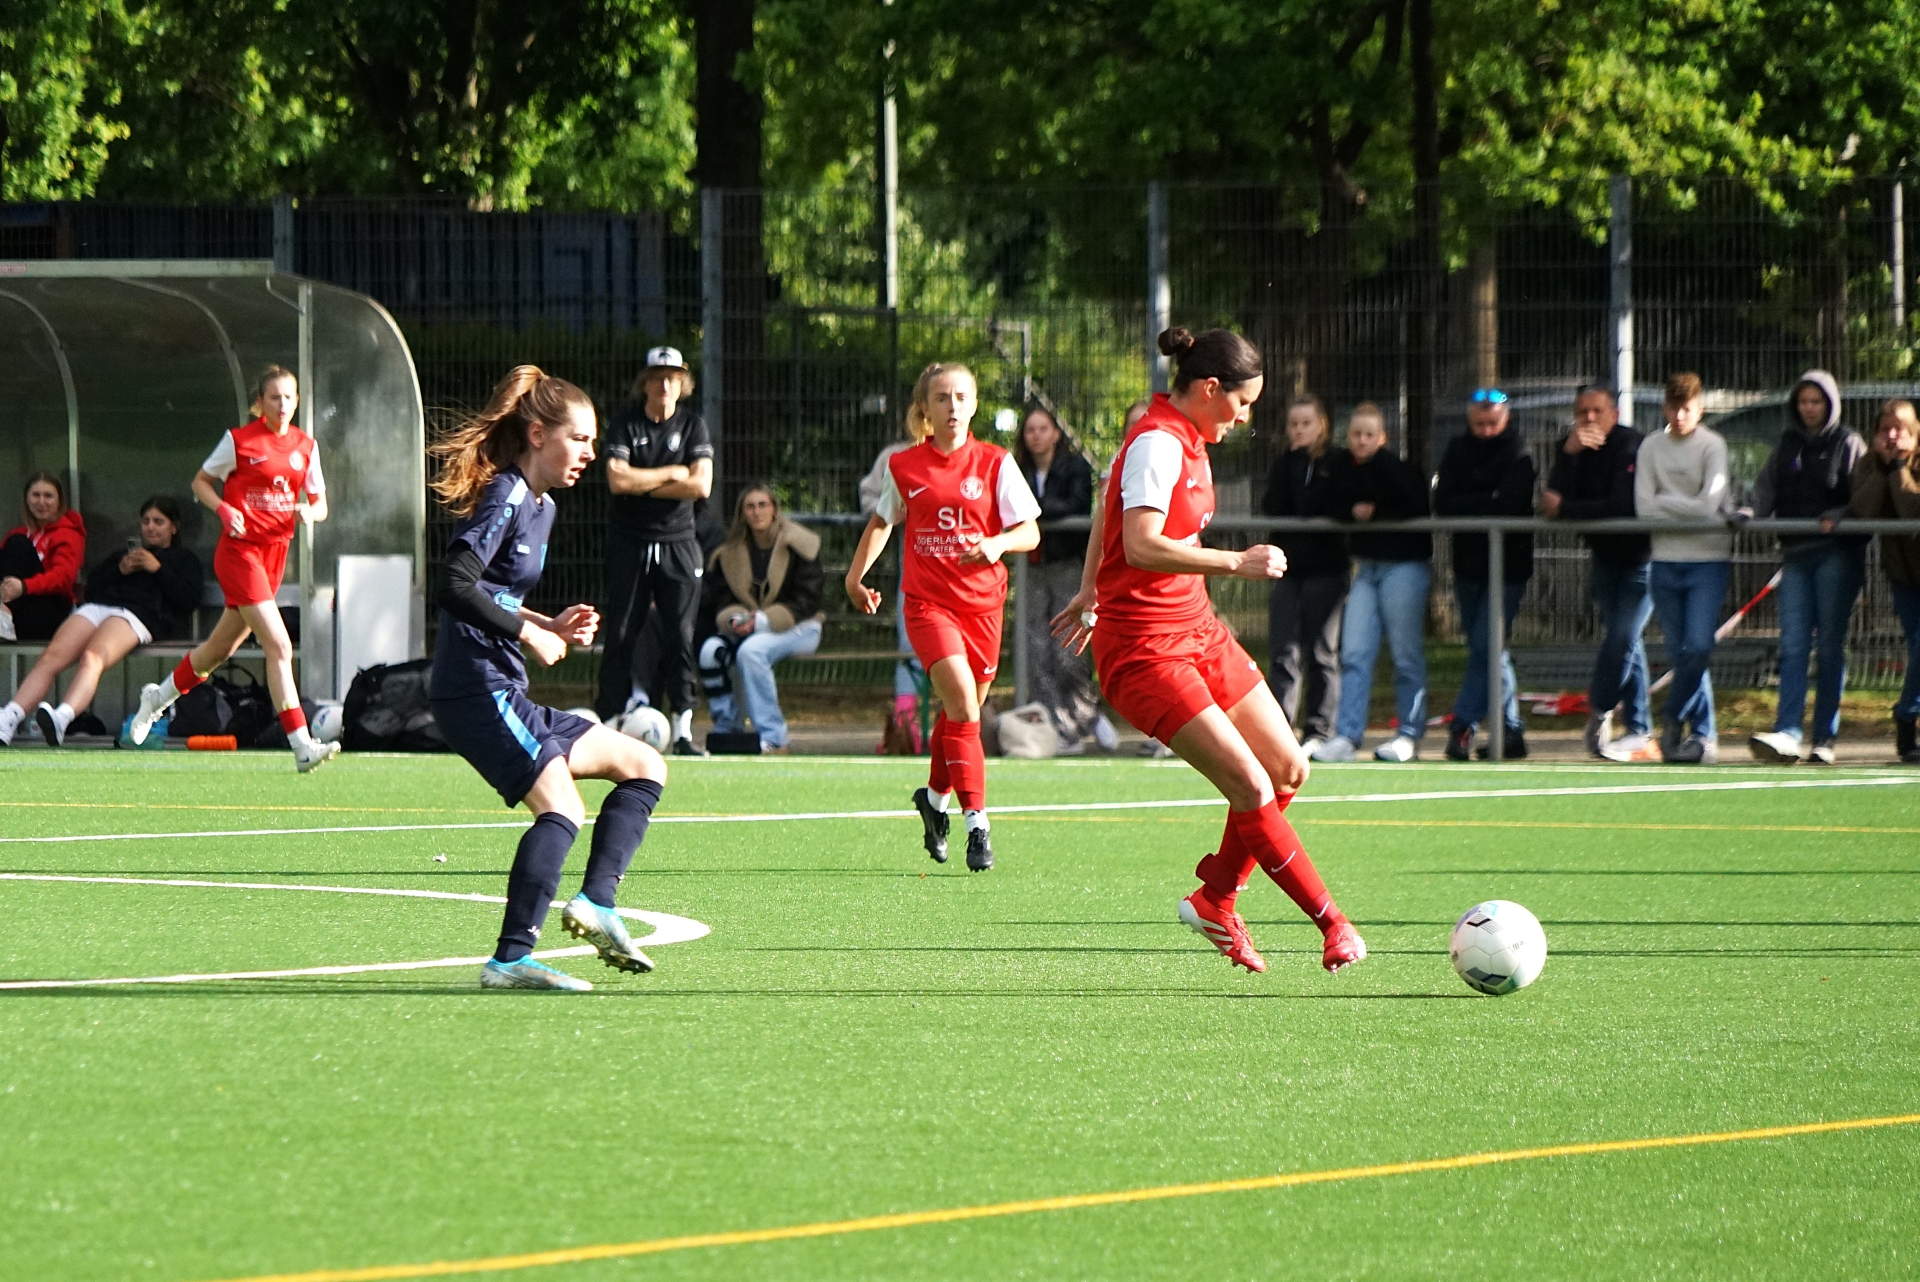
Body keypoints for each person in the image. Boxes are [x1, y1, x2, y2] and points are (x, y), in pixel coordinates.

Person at [1053, 327, 1365, 975]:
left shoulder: (1189, 438)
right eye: (1242, 403)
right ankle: (1332, 923)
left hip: (1197, 629)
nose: (1246, 417)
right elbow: (1139, 543)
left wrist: (1089, 587)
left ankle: (1216, 897)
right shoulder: (1157, 442)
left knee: (1287, 769)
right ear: (1209, 388)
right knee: (1250, 783)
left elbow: (1108, 504)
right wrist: (1234, 562)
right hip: (1143, 650)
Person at [426, 365, 668, 992]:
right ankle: (510, 962)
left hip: (504, 688)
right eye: (579, 439)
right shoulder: (505, 493)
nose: (589, 452)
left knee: (644, 764)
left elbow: (494, 593)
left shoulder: (543, 506)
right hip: (474, 689)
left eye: (593, 442)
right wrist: (527, 634)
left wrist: (546, 623)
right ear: (538, 435)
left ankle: (598, 904)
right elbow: (452, 583)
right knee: (562, 808)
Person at [845, 362, 1041, 871]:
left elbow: (1030, 532)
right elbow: (882, 522)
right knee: (965, 710)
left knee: (960, 716)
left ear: (973, 405)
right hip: (928, 606)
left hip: (983, 607)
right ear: (924, 410)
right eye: (941, 398)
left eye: (961, 397)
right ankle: (978, 825)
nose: (952, 406)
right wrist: (854, 577)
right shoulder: (905, 466)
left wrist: (996, 544)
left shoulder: (996, 462)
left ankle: (933, 801)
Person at [126, 366, 337, 771]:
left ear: (297, 401)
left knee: (217, 652)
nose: (282, 405)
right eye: (274, 397)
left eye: (289, 397)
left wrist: (310, 512)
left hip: (274, 557)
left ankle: (156, 699)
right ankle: (302, 745)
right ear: (260, 402)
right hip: (240, 554)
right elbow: (201, 482)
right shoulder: (239, 441)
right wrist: (224, 509)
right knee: (279, 645)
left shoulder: (305, 446)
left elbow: (321, 503)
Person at [0, 496, 203, 746]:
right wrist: (120, 570)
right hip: (99, 608)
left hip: (139, 614)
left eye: (158, 522)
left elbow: (188, 599)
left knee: (92, 657)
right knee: (52, 656)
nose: (150, 527)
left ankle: (62, 717)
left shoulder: (184, 559)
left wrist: (158, 569)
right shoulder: (123, 555)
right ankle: (9, 717)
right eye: (146, 521)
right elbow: (92, 590)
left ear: (174, 527)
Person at [1743, 369, 1869, 764]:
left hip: (1836, 555)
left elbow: (1865, 496)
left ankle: (1824, 738)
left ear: (1830, 404)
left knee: (1829, 645)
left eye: (1816, 401)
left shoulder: (1848, 443)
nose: (1809, 408)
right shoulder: (1787, 444)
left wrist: (1841, 514)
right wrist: (1749, 513)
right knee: (1793, 645)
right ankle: (1787, 732)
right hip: (1795, 556)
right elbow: (1765, 489)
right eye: (1803, 401)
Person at [597, 345, 713, 755]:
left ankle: (682, 729)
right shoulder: (626, 424)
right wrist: (670, 473)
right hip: (629, 541)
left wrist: (641, 481)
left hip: (678, 544)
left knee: (680, 635)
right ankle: (610, 720)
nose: (665, 385)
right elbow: (617, 481)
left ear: (682, 384)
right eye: (657, 377)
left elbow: (700, 485)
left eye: (672, 378)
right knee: (621, 633)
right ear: (644, 383)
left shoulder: (693, 426)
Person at [1315, 404, 1432, 763]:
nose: (1361, 440)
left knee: (1405, 655)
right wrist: (1351, 511)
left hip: (1403, 568)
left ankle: (1408, 734)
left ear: (1382, 438)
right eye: (1356, 434)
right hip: (1366, 569)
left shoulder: (1394, 467)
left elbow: (1414, 503)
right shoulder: (1340, 467)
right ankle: (1347, 736)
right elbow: (1327, 502)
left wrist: (1376, 510)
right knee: (1354, 653)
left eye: (1369, 435)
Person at [1542, 386, 1653, 758]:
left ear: (1614, 414)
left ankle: (1600, 709)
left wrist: (1568, 509)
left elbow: (1622, 506)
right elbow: (1550, 502)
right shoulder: (1571, 447)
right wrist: (1568, 455)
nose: (1589, 418)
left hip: (1642, 559)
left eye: (1597, 411)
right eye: (1582, 412)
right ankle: (1639, 728)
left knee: (1623, 637)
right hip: (1604, 558)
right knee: (1627, 643)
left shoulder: (1631, 445)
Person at [1635, 372, 1734, 764]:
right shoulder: (1651, 446)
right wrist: (1684, 506)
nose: (1680, 416)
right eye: (1674, 408)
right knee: (1681, 655)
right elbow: (1644, 508)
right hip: (1664, 561)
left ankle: (1673, 716)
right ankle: (1703, 737)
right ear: (1665, 408)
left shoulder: (1713, 445)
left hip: (1707, 560)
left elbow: (1709, 507)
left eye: (1687, 409)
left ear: (1700, 409)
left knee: (1698, 647)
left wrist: (1665, 500)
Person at [1435, 388, 1537, 761]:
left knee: (1486, 646)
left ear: (1505, 418)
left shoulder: (1519, 451)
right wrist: (1487, 499)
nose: (1486, 431)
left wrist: (1475, 502)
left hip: (1508, 568)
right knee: (1490, 652)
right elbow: (1443, 502)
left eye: (1493, 423)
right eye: (1479, 424)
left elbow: (1512, 502)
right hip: (1468, 565)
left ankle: (1462, 726)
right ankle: (1511, 732)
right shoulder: (1457, 449)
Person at [1013, 403, 1116, 754]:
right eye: (1030, 430)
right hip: (1032, 568)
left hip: (1067, 566)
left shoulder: (1074, 467)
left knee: (1069, 650)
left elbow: (1075, 506)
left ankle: (1086, 715)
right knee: (1037, 650)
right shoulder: (1019, 471)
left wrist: (1036, 508)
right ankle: (1057, 727)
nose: (1036, 436)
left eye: (1043, 429)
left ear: (1056, 433)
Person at [701, 484, 824, 753]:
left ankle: (774, 737)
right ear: (742, 513)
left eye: (762, 505)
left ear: (774, 510)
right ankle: (727, 729)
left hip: (801, 626)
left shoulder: (800, 544)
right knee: (710, 651)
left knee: (752, 652)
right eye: (750, 506)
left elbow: (808, 600)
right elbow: (722, 598)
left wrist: (763, 621)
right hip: (748, 627)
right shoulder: (730, 552)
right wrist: (735, 619)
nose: (757, 512)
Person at [1260, 393, 1349, 754]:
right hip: (1288, 569)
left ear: (1321, 425)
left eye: (1306, 423)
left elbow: (1328, 506)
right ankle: (1280, 728)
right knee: (1283, 650)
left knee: (1321, 651)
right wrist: (1293, 467)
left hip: (1325, 570)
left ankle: (1319, 729)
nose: (1299, 430)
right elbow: (1274, 506)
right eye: (1293, 424)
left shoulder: (1337, 462)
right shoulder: (1284, 464)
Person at [1848, 399, 1920, 763]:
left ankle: (1906, 715)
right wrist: (1883, 467)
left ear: (1915, 432)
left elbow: (1912, 509)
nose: (1892, 436)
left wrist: (1900, 468)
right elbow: (1863, 510)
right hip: (1903, 575)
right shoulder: (1870, 463)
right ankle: (1907, 721)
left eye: (1900, 429)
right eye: (1884, 430)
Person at [859, 426, 925, 750]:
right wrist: (898, 509)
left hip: (965, 580)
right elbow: (872, 500)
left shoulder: (977, 458)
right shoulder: (896, 457)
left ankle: (955, 728)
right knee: (909, 645)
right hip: (915, 572)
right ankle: (906, 725)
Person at [0, 472, 85, 642]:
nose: (41, 502)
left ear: (59, 501)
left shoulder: (68, 533)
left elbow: (63, 578)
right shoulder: (19, 532)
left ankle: (4, 616)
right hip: (21, 608)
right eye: (36, 495)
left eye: (48, 496)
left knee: (17, 544)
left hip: (51, 609)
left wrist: (24, 587)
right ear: (27, 499)